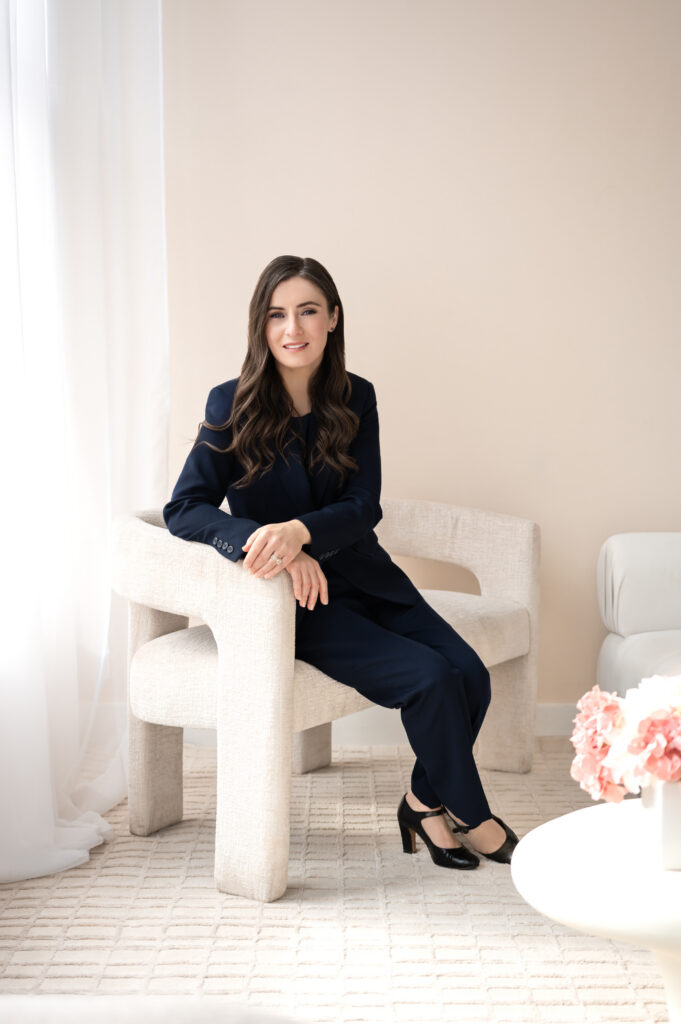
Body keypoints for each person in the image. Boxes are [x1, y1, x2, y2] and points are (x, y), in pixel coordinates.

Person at [163, 254, 518, 870]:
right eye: (276, 314)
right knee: (429, 679)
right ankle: (473, 815)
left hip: (368, 574)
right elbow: (185, 508)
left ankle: (422, 804)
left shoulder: (358, 397)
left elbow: (364, 504)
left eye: (306, 311)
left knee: (472, 675)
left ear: (331, 318)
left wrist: (301, 531)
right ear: (261, 325)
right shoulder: (232, 403)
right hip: (300, 601)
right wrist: (266, 542)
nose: (291, 328)